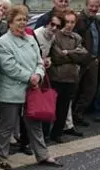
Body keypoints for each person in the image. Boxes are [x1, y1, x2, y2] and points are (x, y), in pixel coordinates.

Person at [0, 5, 62, 170]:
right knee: (7, 125)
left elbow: (40, 61)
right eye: (18, 19)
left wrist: (38, 75)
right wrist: (30, 77)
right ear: (10, 22)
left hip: (31, 88)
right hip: (11, 89)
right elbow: (9, 66)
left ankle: (43, 155)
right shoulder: (4, 41)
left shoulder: (30, 38)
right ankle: (2, 157)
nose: (22, 23)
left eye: (24, 19)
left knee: (35, 124)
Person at [48, 8, 89, 143]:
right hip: (56, 77)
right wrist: (73, 55)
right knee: (51, 107)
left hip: (71, 78)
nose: (69, 25)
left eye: (72, 22)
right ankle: (45, 133)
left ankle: (57, 133)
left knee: (64, 108)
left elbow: (83, 55)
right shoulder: (55, 36)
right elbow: (57, 57)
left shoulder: (77, 37)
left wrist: (68, 53)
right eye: (67, 21)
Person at [75, 0, 100, 123]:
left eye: (97, 6)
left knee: (90, 89)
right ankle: (71, 117)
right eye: (92, 6)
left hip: (94, 60)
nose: (94, 8)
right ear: (86, 5)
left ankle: (78, 114)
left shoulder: (96, 21)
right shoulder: (79, 20)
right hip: (82, 60)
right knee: (76, 89)